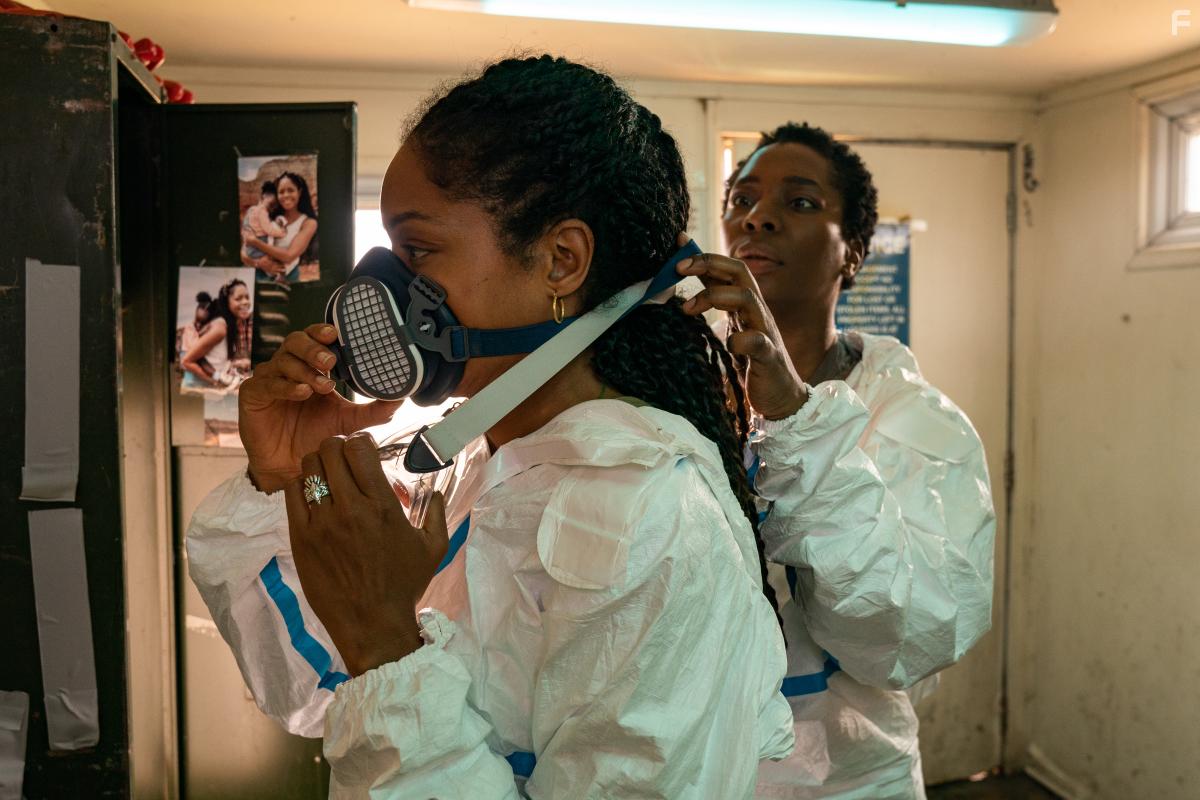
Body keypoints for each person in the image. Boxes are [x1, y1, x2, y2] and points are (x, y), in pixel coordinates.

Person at [187, 56, 794, 798]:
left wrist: (387, 649)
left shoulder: (651, 517)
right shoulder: (482, 461)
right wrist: (285, 476)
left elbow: (384, 684)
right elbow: (319, 691)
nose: (384, 284)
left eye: (418, 250)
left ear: (561, 261)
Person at [677, 122, 996, 799]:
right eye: (743, 199)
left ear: (852, 253)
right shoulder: (677, 391)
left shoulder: (914, 422)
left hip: (843, 777)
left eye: (799, 203)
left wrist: (797, 419)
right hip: (691, 768)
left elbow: (906, 636)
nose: (756, 217)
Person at [241, 171, 318, 283]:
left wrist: (256, 242)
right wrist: (259, 263)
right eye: (281, 192)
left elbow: (289, 256)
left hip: (288, 279)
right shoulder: (268, 216)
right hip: (260, 275)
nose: (286, 195)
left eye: (290, 190)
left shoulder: (308, 223)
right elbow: (243, 252)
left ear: (299, 192)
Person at [181, 277, 253, 392]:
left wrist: (238, 363)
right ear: (227, 302)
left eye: (247, 297)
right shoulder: (220, 327)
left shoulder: (231, 324)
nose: (245, 302)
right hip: (198, 390)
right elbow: (186, 361)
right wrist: (215, 382)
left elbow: (214, 359)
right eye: (238, 299)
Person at [241, 180, 288, 261]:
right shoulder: (262, 211)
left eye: (275, 205)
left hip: (251, 247)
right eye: (271, 204)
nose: (273, 207)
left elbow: (245, 227)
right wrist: (282, 234)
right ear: (264, 196)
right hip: (258, 245)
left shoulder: (252, 209)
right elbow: (269, 230)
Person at [178, 290, 215, 383]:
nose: (206, 312)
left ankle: (214, 378)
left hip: (194, 355)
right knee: (191, 380)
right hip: (188, 353)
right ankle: (212, 379)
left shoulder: (205, 326)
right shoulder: (190, 327)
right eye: (203, 308)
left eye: (207, 310)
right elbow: (193, 346)